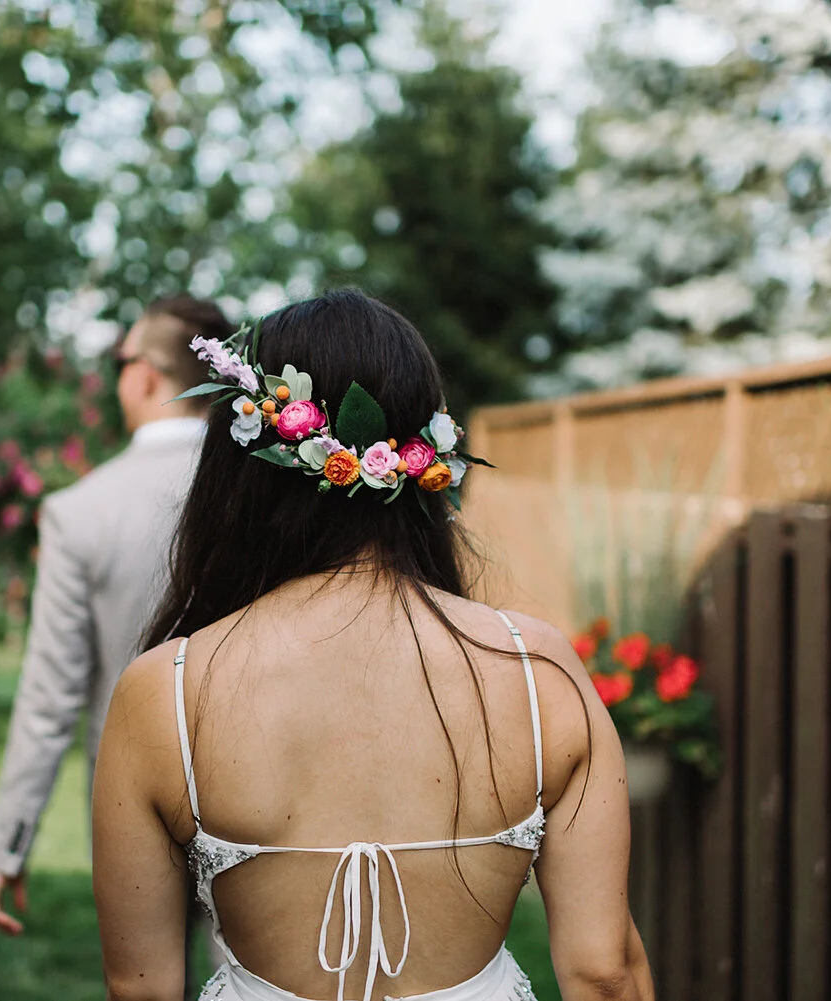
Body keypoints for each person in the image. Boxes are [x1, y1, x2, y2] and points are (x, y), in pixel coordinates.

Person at [91, 290, 653, 1001]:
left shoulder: (164, 690)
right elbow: (606, 971)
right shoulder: (539, 671)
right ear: (427, 458)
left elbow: (140, 987)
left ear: (243, 465)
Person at [0, 296, 233, 938]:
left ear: (145, 373)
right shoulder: (279, 498)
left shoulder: (81, 511)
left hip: (133, 801)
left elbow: (49, 696)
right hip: (272, 790)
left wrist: (10, 842)